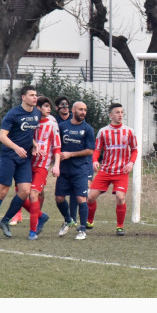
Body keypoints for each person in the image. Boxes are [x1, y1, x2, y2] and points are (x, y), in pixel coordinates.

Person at [0, 86, 41, 239]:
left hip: (24, 159)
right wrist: (16, 148)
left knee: (25, 191)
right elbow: (2, 136)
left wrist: (34, 143)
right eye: (32, 95)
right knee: (2, 191)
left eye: (36, 95)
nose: (35, 98)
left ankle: (5, 221)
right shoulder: (13, 114)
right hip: (9, 156)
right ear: (23, 97)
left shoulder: (36, 113)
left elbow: (27, 132)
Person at [87, 103, 138, 236]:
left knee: (121, 198)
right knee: (91, 197)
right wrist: (94, 161)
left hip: (122, 171)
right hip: (105, 170)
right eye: (117, 112)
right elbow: (97, 149)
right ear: (111, 115)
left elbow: (134, 150)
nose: (120, 115)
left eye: (122, 112)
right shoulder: (103, 131)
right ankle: (90, 221)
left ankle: (120, 227)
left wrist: (131, 163)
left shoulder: (129, 131)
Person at [17, 96, 61, 240]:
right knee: (20, 195)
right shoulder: (30, 122)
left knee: (33, 194)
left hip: (42, 165)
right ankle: (41, 216)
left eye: (49, 106)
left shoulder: (52, 124)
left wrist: (56, 165)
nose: (49, 109)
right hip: (26, 163)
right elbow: (23, 136)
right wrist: (33, 144)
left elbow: (57, 147)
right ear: (38, 108)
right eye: (46, 106)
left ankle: (32, 232)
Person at [55, 101, 95, 240]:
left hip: (80, 170)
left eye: (85, 110)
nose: (83, 112)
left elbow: (90, 150)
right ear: (73, 110)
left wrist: (70, 154)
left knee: (80, 198)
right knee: (59, 198)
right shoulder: (62, 126)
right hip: (64, 170)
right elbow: (56, 146)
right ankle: (68, 219)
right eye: (80, 109)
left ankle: (82, 229)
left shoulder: (88, 129)